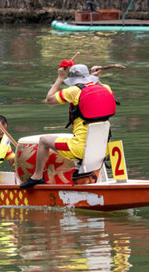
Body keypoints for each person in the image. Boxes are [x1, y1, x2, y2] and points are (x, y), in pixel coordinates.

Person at [19, 62, 117, 190]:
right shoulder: (106, 88)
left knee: (43, 141)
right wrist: (95, 77)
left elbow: (49, 100)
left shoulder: (73, 91)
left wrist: (60, 77)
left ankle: (37, 177)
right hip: (103, 148)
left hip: (80, 148)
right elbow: (93, 88)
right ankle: (82, 177)